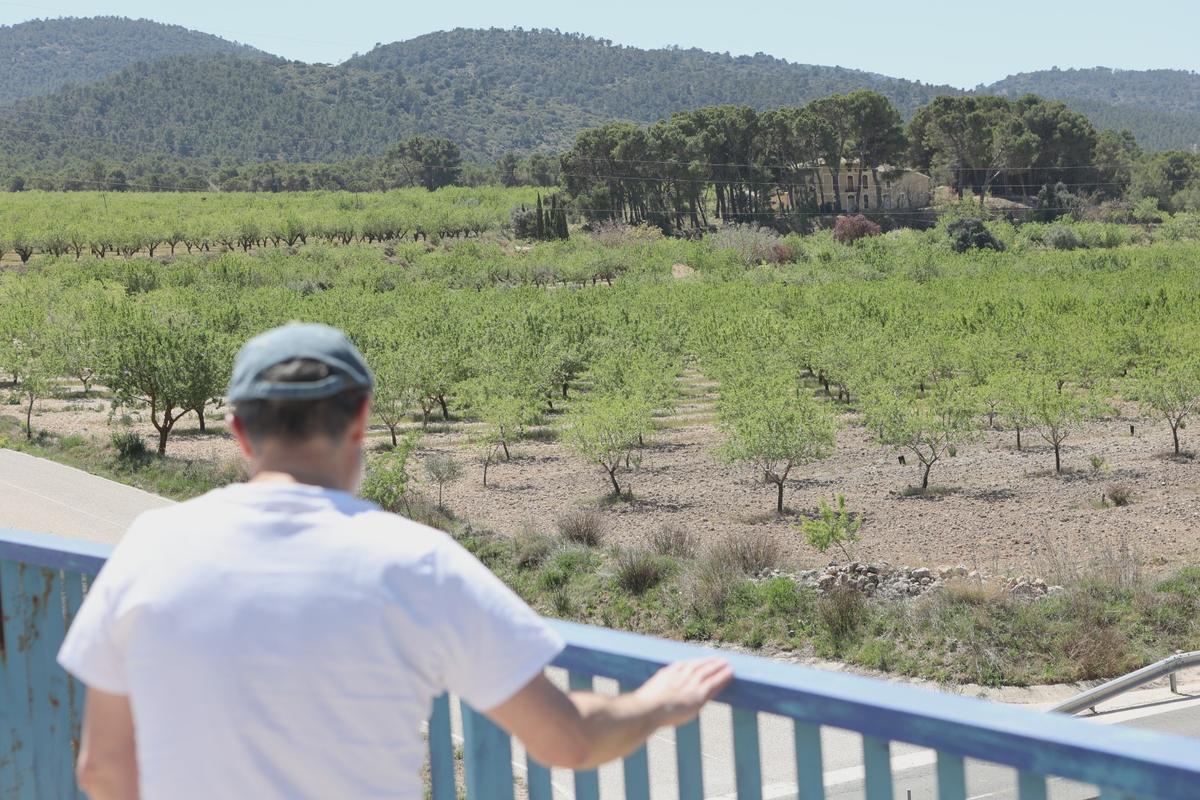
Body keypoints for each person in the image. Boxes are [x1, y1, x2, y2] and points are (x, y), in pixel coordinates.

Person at [58, 322, 733, 799]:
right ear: (361, 419)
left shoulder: (151, 544)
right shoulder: (417, 563)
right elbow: (568, 742)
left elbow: (103, 771)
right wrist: (657, 703)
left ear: (238, 430)